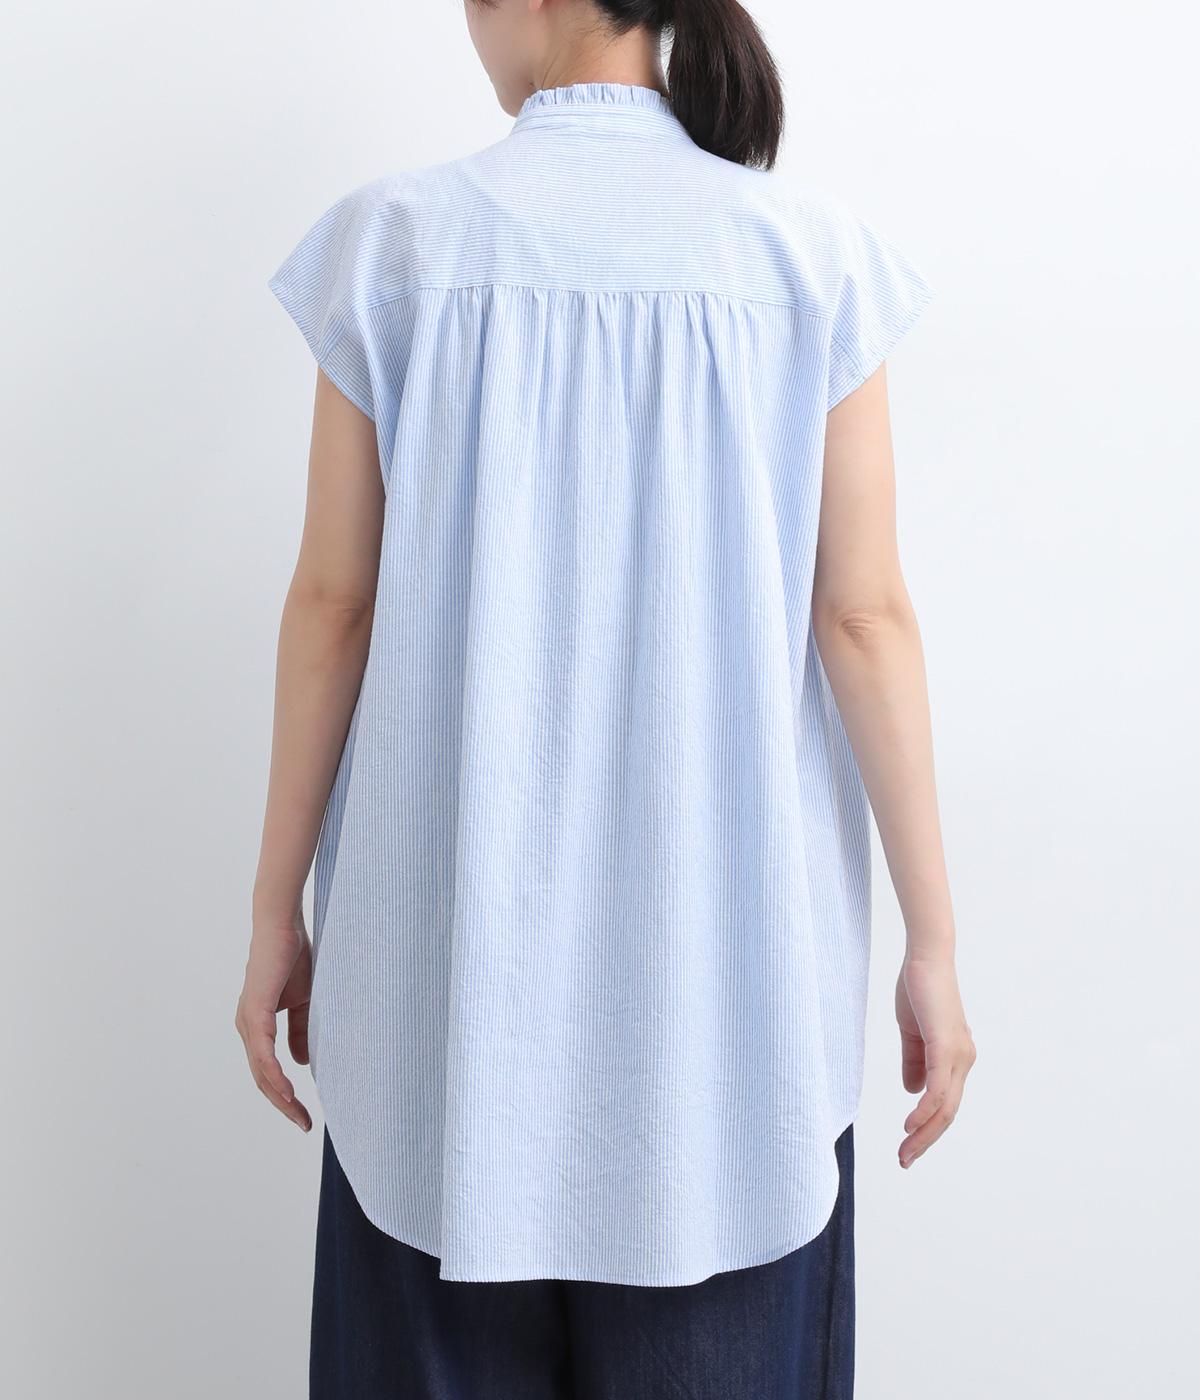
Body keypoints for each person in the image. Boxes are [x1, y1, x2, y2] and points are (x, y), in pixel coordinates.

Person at [236, 1, 978, 1395]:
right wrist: (932, 944)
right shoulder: (810, 259)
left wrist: (276, 915)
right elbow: (865, 618)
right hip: (727, 1026)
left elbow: (332, 606)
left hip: (438, 1017)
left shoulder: (393, 248)